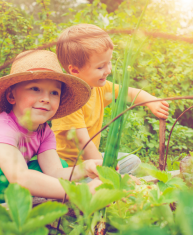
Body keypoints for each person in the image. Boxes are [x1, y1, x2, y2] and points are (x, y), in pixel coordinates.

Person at [0, 50, 104, 212]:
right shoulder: (2, 127)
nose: (46, 98)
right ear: (12, 96)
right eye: (35, 88)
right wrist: (81, 191)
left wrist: (85, 168)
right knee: (1, 169)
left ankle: (36, 211)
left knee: (58, 164)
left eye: (54, 92)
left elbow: (55, 172)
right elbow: (18, 176)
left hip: (0, 183)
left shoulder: (44, 131)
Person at [52, 24, 169, 173]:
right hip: (70, 168)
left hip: (92, 160)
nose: (108, 70)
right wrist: (105, 172)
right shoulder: (69, 100)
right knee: (109, 174)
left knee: (132, 161)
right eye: (101, 67)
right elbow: (84, 143)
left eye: (109, 62)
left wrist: (150, 100)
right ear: (75, 70)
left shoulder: (99, 87)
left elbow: (128, 92)